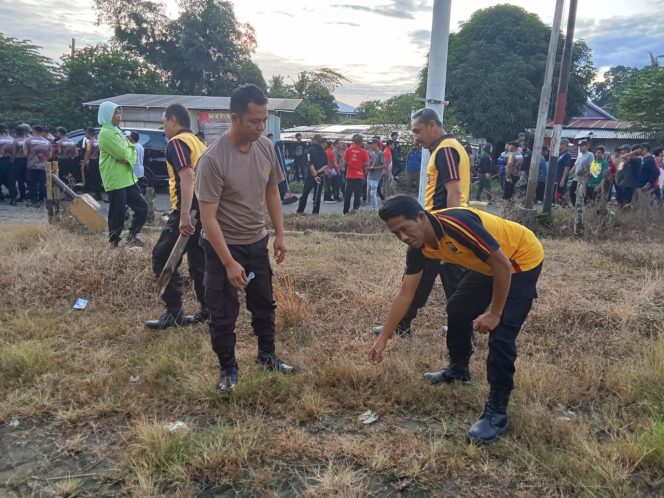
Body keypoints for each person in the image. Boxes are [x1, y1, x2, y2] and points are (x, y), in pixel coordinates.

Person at [369, 195, 543, 445]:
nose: (403, 238)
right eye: (396, 233)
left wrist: (494, 313)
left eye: (404, 229)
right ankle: (458, 370)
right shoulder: (419, 247)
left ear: (421, 217)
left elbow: (502, 265)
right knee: (459, 308)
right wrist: (384, 338)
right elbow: (406, 294)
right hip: (489, 265)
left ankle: (497, 413)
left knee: (502, 334)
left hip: (519, 259)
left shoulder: (457, 224)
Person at [195, 84, 294, 393]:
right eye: (254, 121)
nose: (261, 127)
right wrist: (228, 263)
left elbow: (272, 190)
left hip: (256, 242)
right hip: (223, 246)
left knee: (264, 304)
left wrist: (279, 233)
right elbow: (208, 218)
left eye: (264, 120)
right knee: (223, 312)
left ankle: (267, 355)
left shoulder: (265, 146)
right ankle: (228, 367)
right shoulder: (212, 159)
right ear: (234, 118)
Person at [373, 108, 470, 340]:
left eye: (417, 131)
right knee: (433, 280)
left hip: (436, 228)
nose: (416, 136)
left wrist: (448, 230)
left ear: (432, 126)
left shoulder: (446, 150)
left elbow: (453, 192)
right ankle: (405, 324)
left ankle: (461, 330)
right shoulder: (451, 148)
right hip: (437, 227)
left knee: (432, 280)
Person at [147, 104, 208, 330]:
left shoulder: (177, 143)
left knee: (162, 256)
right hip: (203, 211)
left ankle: (174, 313)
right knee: (198, 263)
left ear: (173, 120)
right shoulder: (198, 143)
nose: (163, 128)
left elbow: (187, 175)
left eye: (164, 122)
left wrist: (184, 215)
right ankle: (208, 311)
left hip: (188, 210)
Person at [97, 102, 148, 247]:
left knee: (142, 207)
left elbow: (130, 151)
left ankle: (132, 236)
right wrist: (129, 153)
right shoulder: (105, 133)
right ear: (107, 115)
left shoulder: (117, 131)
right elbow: (122, 153)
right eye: (115, 113)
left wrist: (128, 155)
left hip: (128, 178)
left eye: (119, 113)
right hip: (115, 179)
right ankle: (114, 242)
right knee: (117, 213)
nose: (119, 116)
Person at [296, 134, 327, 214]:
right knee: (317, 196)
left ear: (315, 140)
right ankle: (315, 213)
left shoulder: (310, 149)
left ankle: (300, 211)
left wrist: (315, 174)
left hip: (311, 176)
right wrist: (318, 172)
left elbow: (310, 163)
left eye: (312, 139)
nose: (311, 141)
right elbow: (326, 165)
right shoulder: (324, 151)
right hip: (321, 175)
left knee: (305, 194)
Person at [23, 124, 51, 207]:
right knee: (43, 184)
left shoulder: (28, 140)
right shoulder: (47, 142)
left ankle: (34, 201)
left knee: (32, 184)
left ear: (34, 130)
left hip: (32, 166)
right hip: (43, 166)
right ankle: (42, 200)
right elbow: (49, 156)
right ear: (42, 132)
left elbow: (25, 154)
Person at [343, 134, 369, 214]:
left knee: (348, 195)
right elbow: (367, 164)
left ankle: (345, 212)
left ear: (354, 141)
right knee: (357, 195)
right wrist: (360, 164)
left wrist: (351, 164)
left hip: (350, 175)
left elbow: (344, 162)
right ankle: (355, 211)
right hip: (359, 175)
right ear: (361, 142)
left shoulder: (348, 150)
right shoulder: (364, 152)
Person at [572, 140, 594, 236]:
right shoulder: (580, 155)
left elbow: (591, 166)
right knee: (571, 191)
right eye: (580, 146)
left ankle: (582, 208)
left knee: (581, 195)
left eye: (582, 146)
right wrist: (569, 174)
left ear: (586, 146)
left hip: (584, 179)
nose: (580, 147)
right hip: (576, 178)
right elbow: (575, 165)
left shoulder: (590, 155)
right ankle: (576, 207)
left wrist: (586, 174)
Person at [82, 127, 103, 200]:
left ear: (89, 133)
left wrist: (84, 163)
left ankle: (98, 195)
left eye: (86, 132)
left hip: (92, 161)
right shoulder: (97, 141)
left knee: (94, 179)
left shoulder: (89, 142)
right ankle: (98, 193)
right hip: (97, 160)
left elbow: (88, 153)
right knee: (97, 178)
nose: (86, 134)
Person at [366, 139, 385, 212]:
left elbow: (384, 165)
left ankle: (374, 209)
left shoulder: (381, 153)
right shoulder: (373, 153)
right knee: (369, 193)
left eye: (372, 144)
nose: (371, 145)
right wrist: (368, 167)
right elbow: (371, 163)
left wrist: (373, 168)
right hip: (370, 175)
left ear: (376, 144)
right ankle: (372, 208)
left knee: (373, 193)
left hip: (376, 176)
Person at [0, 124, 17, 205]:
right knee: (11, 180)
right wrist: (12, 162)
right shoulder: (12, 139)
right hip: (8, 161)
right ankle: (13, 198)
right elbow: (14, 153)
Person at [13, 125, 29, 202]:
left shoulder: (15, 141)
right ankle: (31, 194)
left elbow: (14, 153)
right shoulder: (28, 140)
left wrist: (12, 161)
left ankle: (22, 196)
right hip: (27, 161)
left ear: (16, 132)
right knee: (28, 178)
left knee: (20, 179)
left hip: (19, 161)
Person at [555, 139, 573, 205]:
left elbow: (567, 167)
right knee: (556, 194)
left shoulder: (567, 154)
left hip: (561, 178)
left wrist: (563, 179)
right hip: (557, 177)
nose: (559, 146)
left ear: (564, 145)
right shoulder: (560, 154)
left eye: (560, 144)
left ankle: (565, 207)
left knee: (559, 194)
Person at [323, 139, 337, 203]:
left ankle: (325, 197)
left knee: (326, 184)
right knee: (329, 184)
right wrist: (337, 169)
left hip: (325, 169)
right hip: (329, 169)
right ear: (330, 145)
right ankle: (328, 198)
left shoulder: (325, 151)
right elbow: (333, 162)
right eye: (332, 145)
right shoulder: (330, 152)